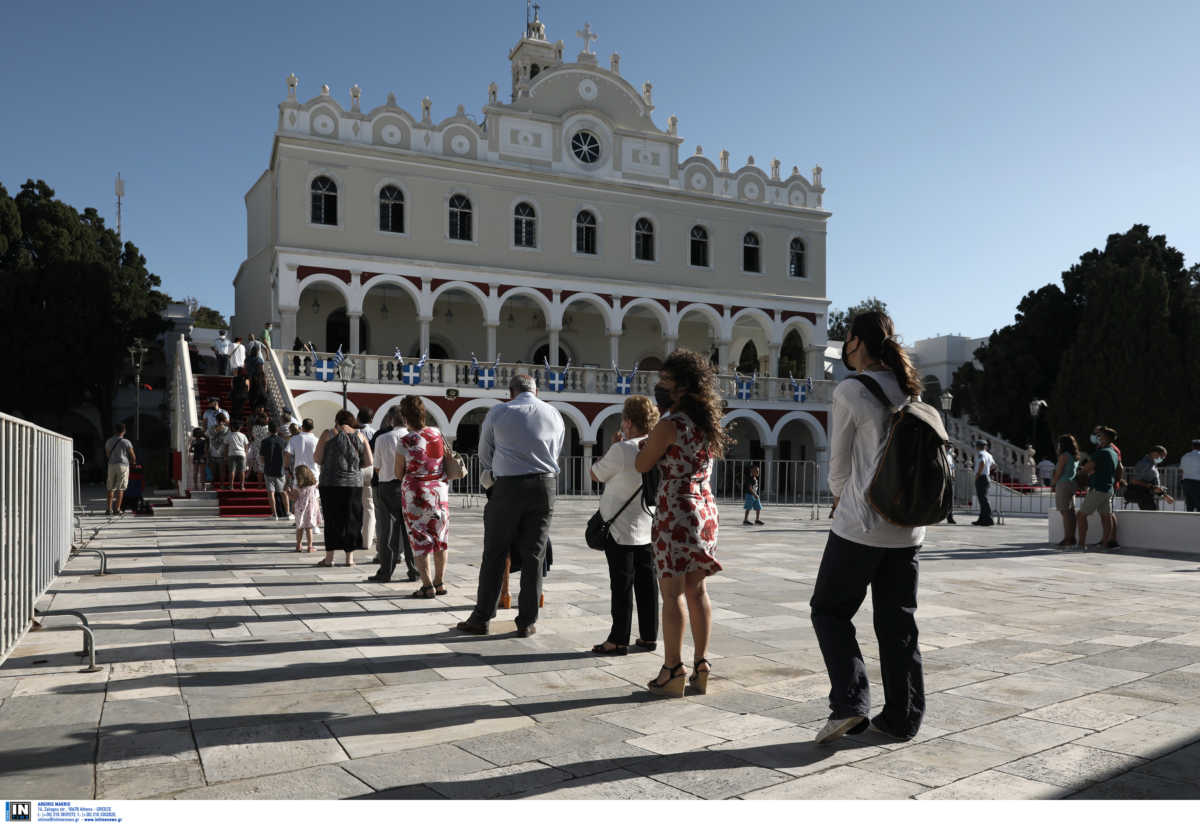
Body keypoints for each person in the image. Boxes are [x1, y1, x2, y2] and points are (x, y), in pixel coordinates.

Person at [811, 310, 926, 745]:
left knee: (829, 609)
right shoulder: (910, 389)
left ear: (856, 343)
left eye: (846, 341)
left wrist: (840, 501)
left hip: (860, 523)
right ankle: (902, 716)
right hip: (908, 528)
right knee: (898, 625)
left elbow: (838, 467)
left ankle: (850, 705)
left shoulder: (851, 391)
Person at [635, 350, 725, 697]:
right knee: (697, 590)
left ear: (683, 386)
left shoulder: (669, 425)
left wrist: (645, 444)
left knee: (671, 594)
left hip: (676, 508)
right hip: (704, 508)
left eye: (666, 381)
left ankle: (672, 668)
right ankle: (701, 664)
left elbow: (643, 464)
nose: (659, 387)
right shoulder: (706, 424)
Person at [457, 374, 564, 637]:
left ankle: (482, 617)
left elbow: (485, 453)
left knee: (495, 552)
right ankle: (527, 621)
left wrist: (494, 475)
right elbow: (557, 450)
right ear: (536, 391)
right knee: (534, 555)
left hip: (508, 488)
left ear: (511, 391)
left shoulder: (499, 412)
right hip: (545, 486)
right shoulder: (553, 413)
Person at [589, 395, 660, 656]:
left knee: (621, 585)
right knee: (646, 583)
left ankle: (618, 639)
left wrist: (613, 447)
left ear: (628, 422)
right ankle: (649, 636)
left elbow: (595, 474)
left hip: (620, 529)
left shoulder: (622, 449)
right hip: (646, 525)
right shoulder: (655, 447)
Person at [394, 397, 451, 598]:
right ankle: (440, 581)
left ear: (404, 416)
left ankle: (427, 586)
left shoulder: (405, 441)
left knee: (419, 538)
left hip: (416, 492)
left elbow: (398, 473)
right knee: (440, 537)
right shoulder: (437, 433)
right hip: (439, 491)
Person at [314, 409, 373, 567]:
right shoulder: (360, 436)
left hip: (330, 483)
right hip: (353, 484)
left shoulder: (328, 434)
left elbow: (317, 458)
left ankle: (329, 558)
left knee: (332, 519)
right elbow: (369, 461)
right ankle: (349, 559)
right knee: (352, 520)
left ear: (337, 420)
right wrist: (355, 466)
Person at [367, 408, 419, 584]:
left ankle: (386, 571)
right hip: (409, 486)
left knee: (387, 530)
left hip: (387, 486)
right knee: (409, 530)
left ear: (391, 420)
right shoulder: (414, 438)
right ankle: (415, 570)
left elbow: (377, 467)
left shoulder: (383, 438)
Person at [1077, 426, 1120, 549]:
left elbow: (1086, 469)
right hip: (1108, 488)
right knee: (1106, 516)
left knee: (1081, 515)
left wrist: (1081, 472)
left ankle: (1081, 544)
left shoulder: (1101, 453)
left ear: (1105, 438)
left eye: (1099, 435)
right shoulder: (1114, 453)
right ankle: (1105, 544)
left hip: (1098, 488)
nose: (1097, 437)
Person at [1049, 435, 1080, 547]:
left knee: (1065, 512)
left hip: (1063, 484)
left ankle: (1068, 538)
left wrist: (1052, 483)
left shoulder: (1064, 456)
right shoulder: (1074, 456)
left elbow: (1058, 472)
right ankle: (1071, 537)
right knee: (1070, 512)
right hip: (1071, 483)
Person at [357, 407, 378, 557]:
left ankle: (355, 535)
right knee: (369, 506)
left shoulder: (354, 433)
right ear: (371, 420)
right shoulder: (374, 433)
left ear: (358, 418)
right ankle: (367, 540)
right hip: (371, 469)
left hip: (356, 469)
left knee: (355, 504)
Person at [1126, 445, 1172, 511]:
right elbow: (1134, 481)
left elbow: (1154, 484)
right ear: (1155, 453)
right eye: (1162, 456)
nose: (1163, 459)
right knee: (1151, 517)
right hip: (1144, 496)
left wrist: (1165, 495)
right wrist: (1151, 486)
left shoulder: (1152, 464)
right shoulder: (1145, 464)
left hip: (1149, 496)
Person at [260, 421, 290, 520]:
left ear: (269, 430)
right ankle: (287, 513)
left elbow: (262, 458)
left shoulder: (264, 441)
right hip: (280, 469)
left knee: (271, 492)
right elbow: (286, 456)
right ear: (277, 430)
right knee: (283, 492)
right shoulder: (283, 441)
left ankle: (275, 514)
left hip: (268, 469)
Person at [104, 423, 136, 516]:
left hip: (111, 465)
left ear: (115, 430)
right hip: (123, 465)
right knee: (120, 488)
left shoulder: (109, 441)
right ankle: (117, 509)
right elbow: (132, 454)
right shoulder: (126, 442)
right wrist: (133, 462)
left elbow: (107, 454)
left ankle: (109, 509)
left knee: (110, 488)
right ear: (124, 431)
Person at [292, 465, 322, 552]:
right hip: (311, 509)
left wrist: (288, 493)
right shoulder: (313, 484)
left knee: (300, 528)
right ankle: (310, 546)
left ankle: (298, 545)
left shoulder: (297, 487)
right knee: (309, 528)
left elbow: (294, 498)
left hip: (300, 509)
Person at [286, 418, 320, 484]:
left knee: (297, 494)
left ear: (302, 427)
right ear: (312, 428)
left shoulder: (293, 439)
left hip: (298, 474)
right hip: (314, 473)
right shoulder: (316, 440)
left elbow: (287, 454)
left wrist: (287, 468)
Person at [972, 439, 995, 526]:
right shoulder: (989, 454)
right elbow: (994, 465)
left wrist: (978, 474)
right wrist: (987, 471)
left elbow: (982, 462)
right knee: (982, 499)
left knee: (983, 499)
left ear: (978, 446)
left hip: (981, 477)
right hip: (986, 477)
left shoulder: (981, 454)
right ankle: (982, 519)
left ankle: (988, 519)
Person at [224, 420, 249, 491]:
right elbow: (246, 445)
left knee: (232, 470)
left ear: (232, 427)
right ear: (239, 428)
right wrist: (246, 454)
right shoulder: (243, 435)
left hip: (231, 454)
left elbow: (226, 446)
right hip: (241, 454)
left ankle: (231, 486)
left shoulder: (229, 435)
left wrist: (225, 455)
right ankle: (242, 486)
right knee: (242, 471)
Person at [208, 414, 230, 486]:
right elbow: (228, 441)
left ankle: (212, 484)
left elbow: (206, 435)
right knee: (222, 470)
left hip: (212, 450)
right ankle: (222, 485)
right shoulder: (227, 429)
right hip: (223, 452)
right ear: (224, 420)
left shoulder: (211, 428)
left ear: (216, 420)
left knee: (213, 470)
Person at [1183, 439, 1200, 513]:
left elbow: (1182, 469)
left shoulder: (1185, 456)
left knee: (1189, 507)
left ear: (1192, 447)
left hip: (1186, 483)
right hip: (1197, 483)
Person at [189, 427, 208, 491]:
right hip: (202, 457)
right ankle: (203, 486)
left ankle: (195, 485)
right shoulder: (204, 441)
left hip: (196, 457)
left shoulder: (193, 441)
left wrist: (194, 450)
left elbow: (190, 450)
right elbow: (205, 450)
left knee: (195, 472)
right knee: (202, 472)